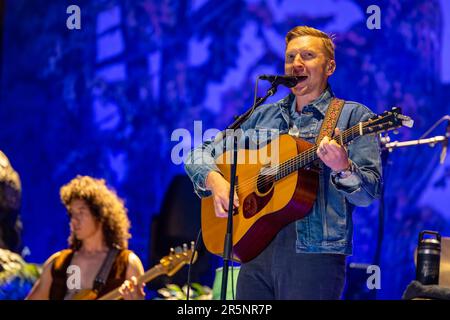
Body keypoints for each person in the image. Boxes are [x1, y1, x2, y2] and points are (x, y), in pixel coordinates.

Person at [184, 26, 382, 299]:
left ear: (330, 67)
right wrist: (215, 181)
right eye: (290, 57)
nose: (296, 63)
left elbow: (369, 194)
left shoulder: (353, 116)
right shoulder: (262, 116)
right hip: (255, 250)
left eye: (308, 55)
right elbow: (198, 153)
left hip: (314, 258)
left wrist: (343, 168)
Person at [26, 175, 145, 300]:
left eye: (81, 213)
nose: (74, 221)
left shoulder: (127, 263)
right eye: (72, 214)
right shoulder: (58, 263)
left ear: (100, 215)